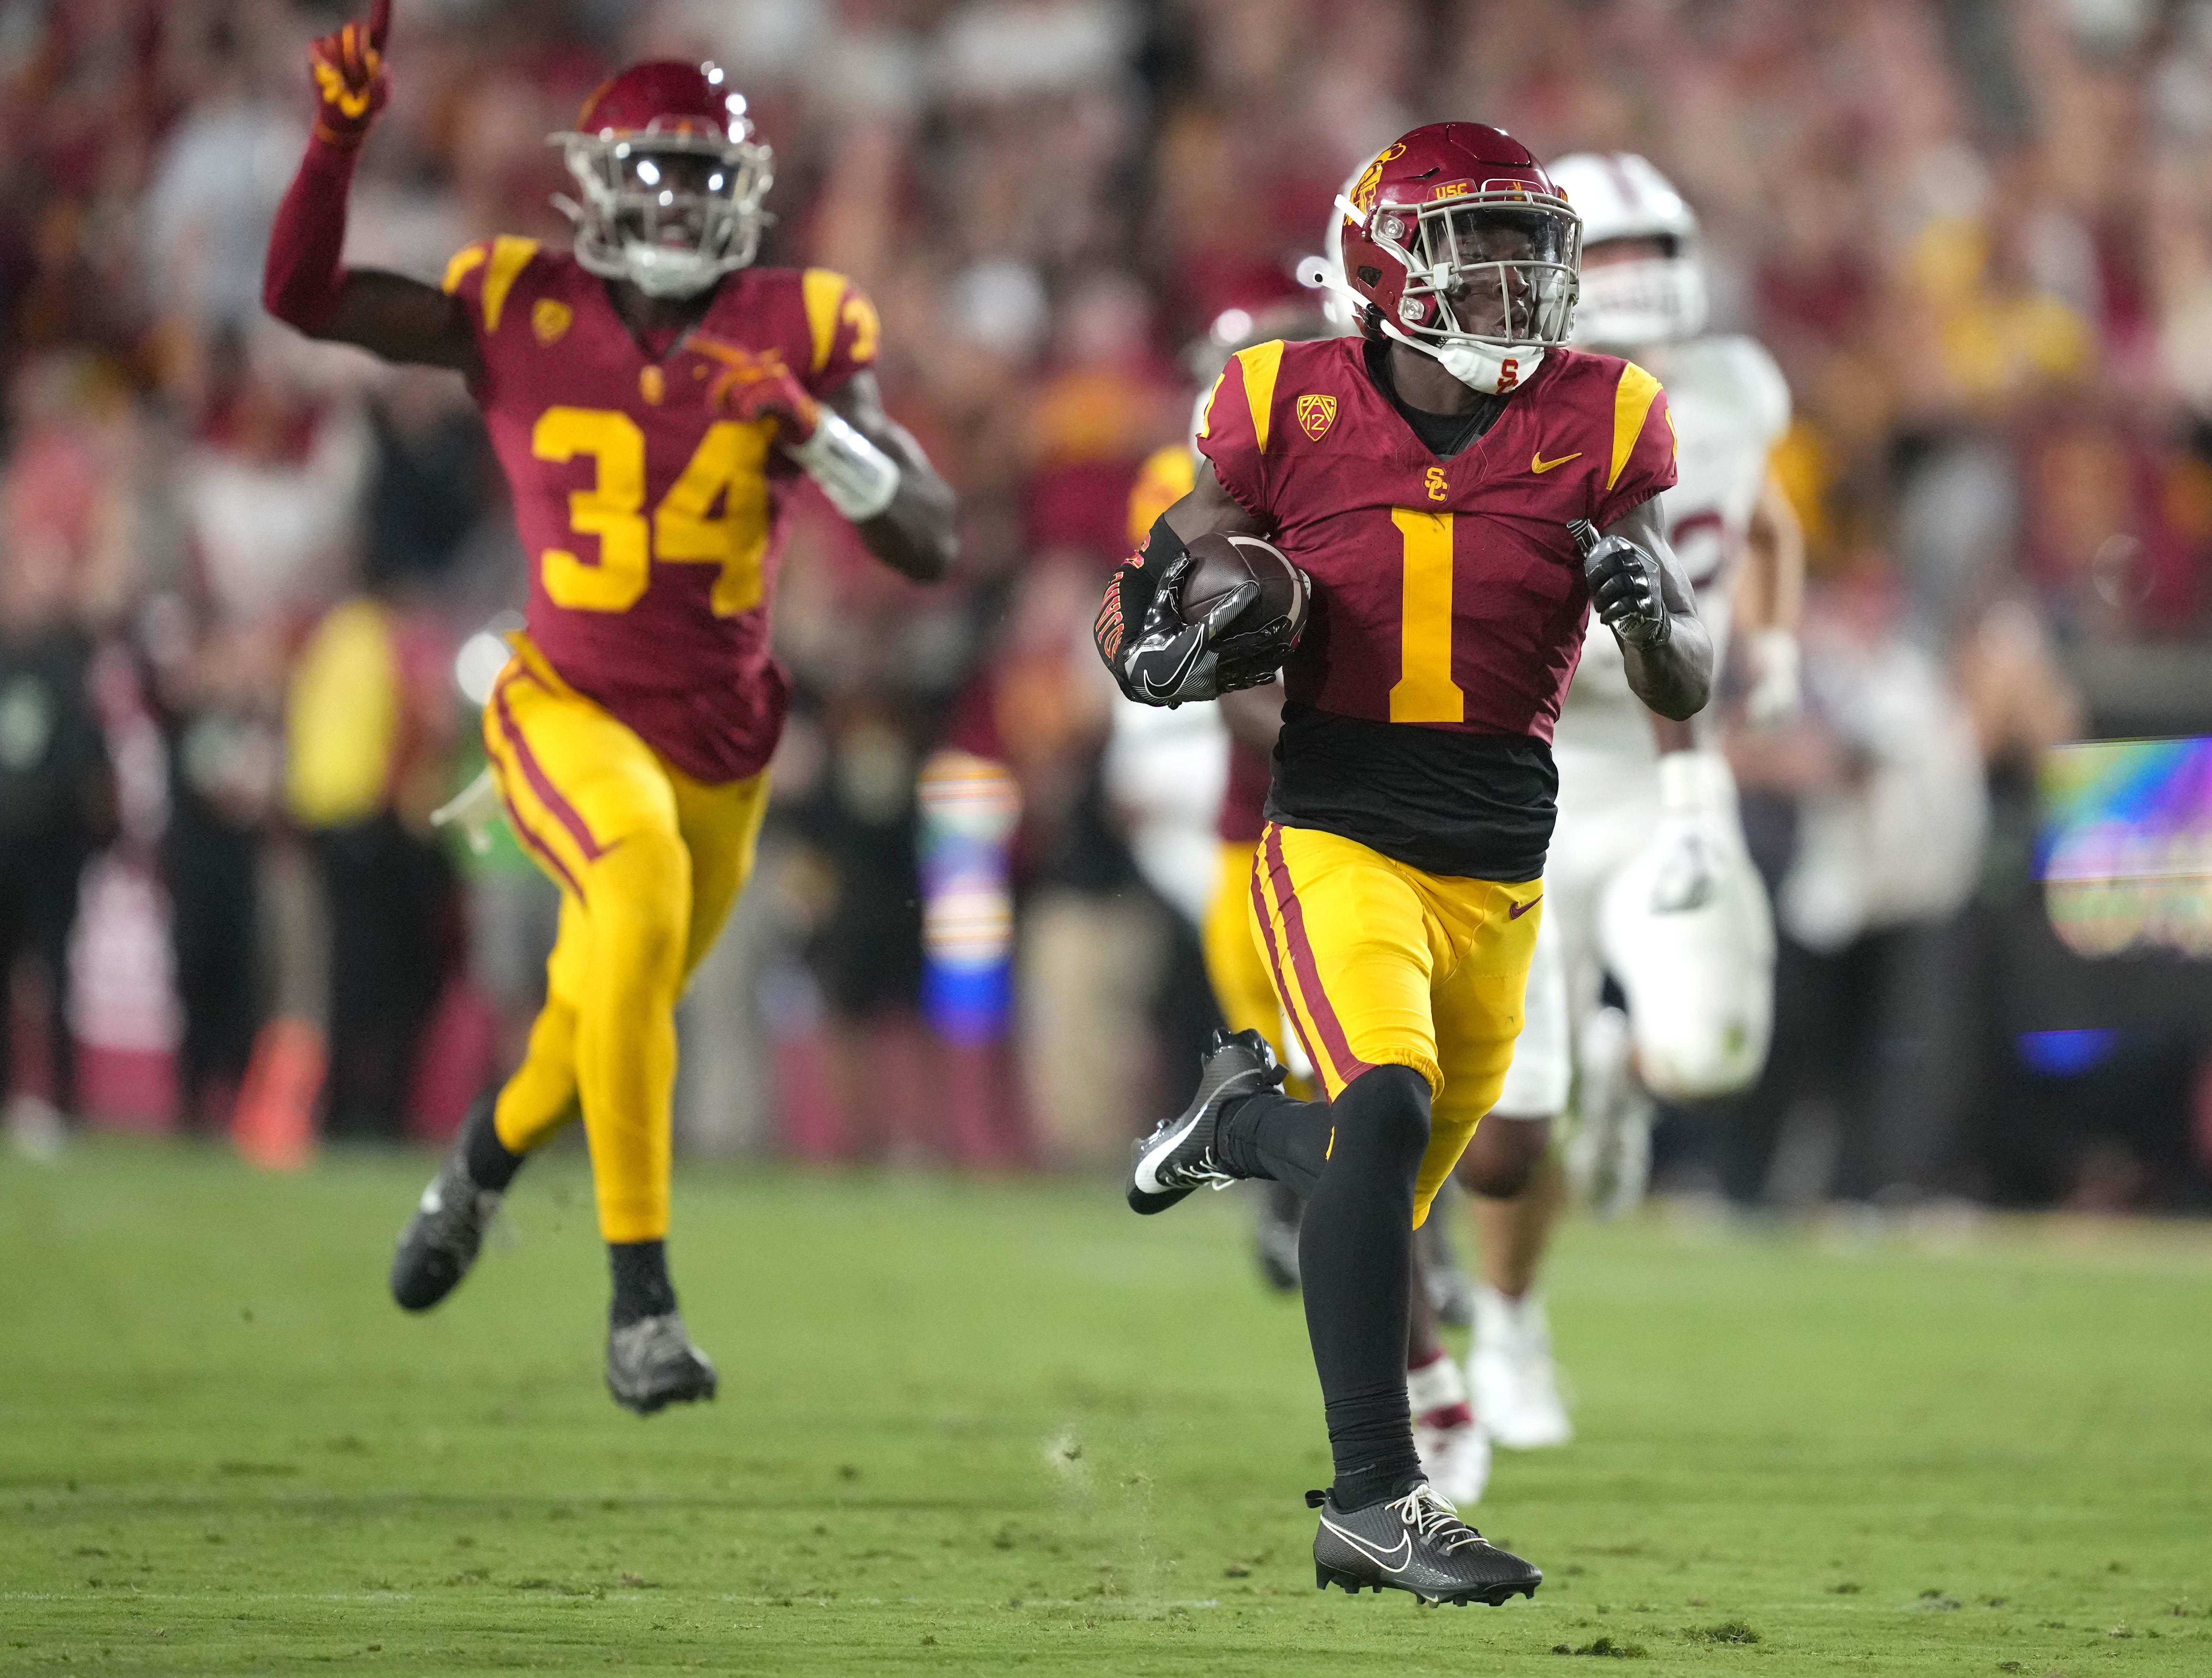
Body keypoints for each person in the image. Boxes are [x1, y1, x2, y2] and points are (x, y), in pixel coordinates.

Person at [259, 6, 956, 1414]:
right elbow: (306, 300)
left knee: (601, 1008)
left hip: (725, 737)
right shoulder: (520, 304)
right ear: (593, 181)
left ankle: (481, 1161)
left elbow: (930, 537)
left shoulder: (804, 323)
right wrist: (336, 142)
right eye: (653, 170)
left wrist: (813, 429)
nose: (676, 198)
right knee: (629, 904)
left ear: (745, 195)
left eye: (704, 176)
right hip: (565, 702)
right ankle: (642, 1304)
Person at [1096, 123, 1707, 1603]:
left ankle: (1239, 1129)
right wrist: (1159, 646)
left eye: (1525, 256)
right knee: (1376, 1127)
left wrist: (1651, 615)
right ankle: (1379, 1495)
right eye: (1472, 254)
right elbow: (1141, 601)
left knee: (1394, 1194)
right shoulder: (1280, 402)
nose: (1508, 288)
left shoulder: (1610, 414)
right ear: (1385, 265)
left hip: (1502, 861)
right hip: (1339, 831)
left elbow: (1686, 686)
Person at [1444, 150, 1801, 1461]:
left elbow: (1762, 528)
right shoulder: (1490, 404)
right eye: (1614, 259)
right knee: (1506, 1129)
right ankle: (1510, 1322)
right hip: (1528, 766)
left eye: (1657, 252)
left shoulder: (1733, 389)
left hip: (1663, 765)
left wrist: (1776, 644)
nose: (1640, 285)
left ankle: (1623, 1074)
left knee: (1714, 1048)